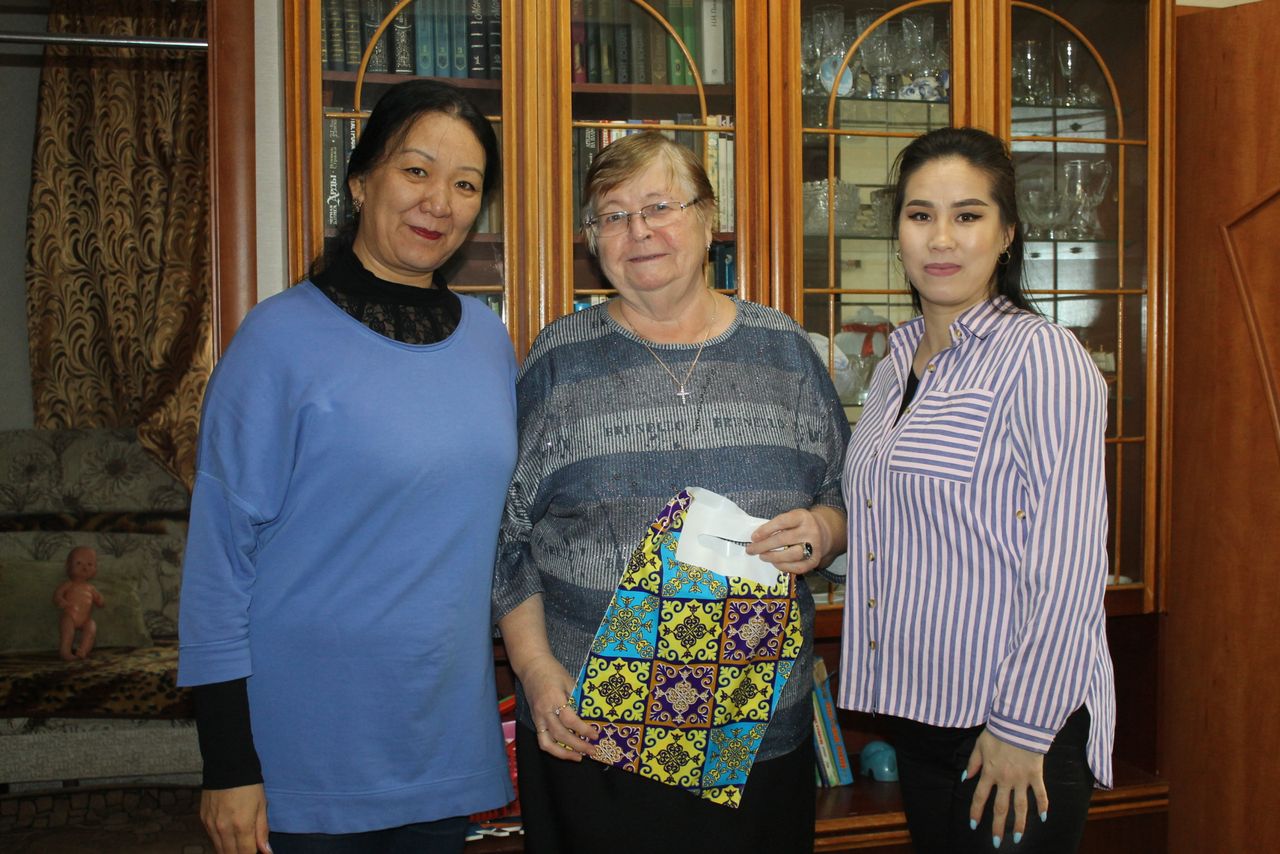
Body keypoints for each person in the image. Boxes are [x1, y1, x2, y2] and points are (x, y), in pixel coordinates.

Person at [177, 80, 515, 854]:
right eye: (416, 170)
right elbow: (219, 563)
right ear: (361, 181)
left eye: (466, 185)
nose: (439, 202)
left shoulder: (488, 343)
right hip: (303, 750)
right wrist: (227, 762)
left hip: (440, 741)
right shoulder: (277, 340)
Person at [492, 130, 850, 853]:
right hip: (590, 734)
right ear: (593, 240)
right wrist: (535, 672)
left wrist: (823, 529)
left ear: (708, 219)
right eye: (613, 216)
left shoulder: (784, 351)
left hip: (754, 741)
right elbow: (504, 539)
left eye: (659, 206)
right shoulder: (559, 361)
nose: (638, 231)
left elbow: (846, 496)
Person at [838, 126, 1115, 854]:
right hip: (923, 717)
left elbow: (1070, 564)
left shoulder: (1041, 357)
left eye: (967, 215)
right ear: (898, 231)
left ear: (1007, 234)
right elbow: (894, 525)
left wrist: (1022, 730)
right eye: (920, 214)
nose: (941, 238)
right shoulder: (895, 365)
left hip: (1016, 730)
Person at [54, 545, 103, 660]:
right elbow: (57, 595)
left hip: (85, 619)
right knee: (68, 631)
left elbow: (99, 602)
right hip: (70, 616)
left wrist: (100, 600)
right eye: (79, 563)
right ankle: (65, 651)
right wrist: (60, 600)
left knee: (91, 627)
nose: (84, 567)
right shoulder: (68, 584)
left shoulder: (91, 588)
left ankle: (83, 650)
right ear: (68, 567)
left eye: (89, 564)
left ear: (95, 570)